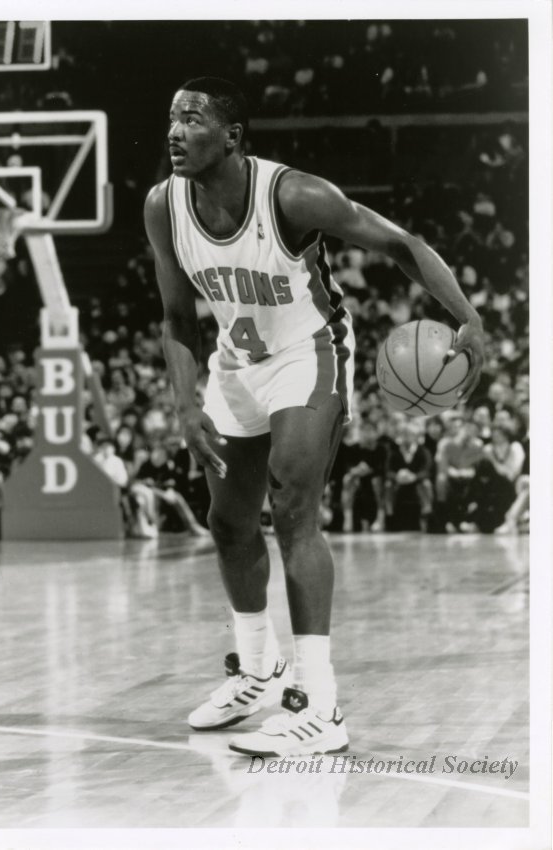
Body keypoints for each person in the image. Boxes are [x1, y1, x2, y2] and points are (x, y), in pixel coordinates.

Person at [144, 77, 485, 758]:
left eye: (192, 119)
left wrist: (466, 314)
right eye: (171, 119)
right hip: (237, 361)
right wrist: (183, 404)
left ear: (232, 137)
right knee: (227, 523)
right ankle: (255, 669)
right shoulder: (163, 206)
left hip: (310, 349)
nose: (175, 132)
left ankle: (319, 705)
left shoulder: (293, 195)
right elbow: (177, 317)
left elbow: (401, 242)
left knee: (292, 506)